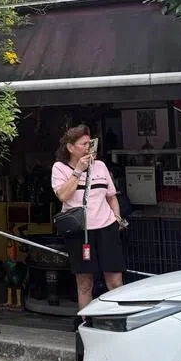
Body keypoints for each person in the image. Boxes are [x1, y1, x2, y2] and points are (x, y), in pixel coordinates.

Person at [51, 125, 127, 310]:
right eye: (83, 144)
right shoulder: (60, 168)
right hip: (80, 231)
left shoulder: (100, 166)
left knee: (115, 280)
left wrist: (117, 217)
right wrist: (78, 170)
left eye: (90, 143)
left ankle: (117, 317)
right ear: (70, 147)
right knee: (85, 282)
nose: (88, 147)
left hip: (106, 226)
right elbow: (63, 195)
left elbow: (111, 196)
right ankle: (85, 320)